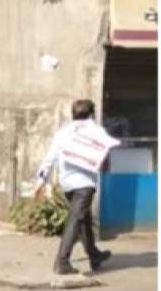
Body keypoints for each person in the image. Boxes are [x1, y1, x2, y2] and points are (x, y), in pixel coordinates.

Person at [35, 99, 120, 276]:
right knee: (76, 219)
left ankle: (94, 255)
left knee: (84, 220)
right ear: (91, 114)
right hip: (84, 184)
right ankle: (62, 261)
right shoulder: (96, 131)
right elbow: (105, 155)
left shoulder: (63, 133)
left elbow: (49, 159)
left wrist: (40, 182)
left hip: (67, 184)